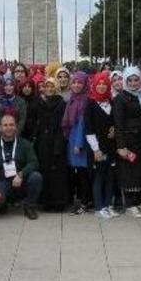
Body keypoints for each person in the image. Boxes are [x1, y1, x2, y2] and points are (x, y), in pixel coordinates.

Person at [0, 113, 42, 220]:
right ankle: (2, 204)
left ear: (16, 127)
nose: (8, 128)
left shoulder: (24, 144)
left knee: (36, 177)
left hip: (19, 181)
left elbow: (34, 162)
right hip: (2, 181)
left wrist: (21, 174)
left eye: (11, 125)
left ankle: (29, 206)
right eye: (5, 125)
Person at [113, 67, 141, 218]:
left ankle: (139, 202)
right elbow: (118, 124)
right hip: (128, 141)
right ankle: (130, 204)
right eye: (130, 80)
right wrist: (121, 146)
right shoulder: (120, 98)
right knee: (129, 172)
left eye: (136, 80)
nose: (134, 83)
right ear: (125, 81)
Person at [84, 72, 118, 219]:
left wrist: (115, 129)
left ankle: (107, 205)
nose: (102, 86)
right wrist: (96, 149)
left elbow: (116, 121)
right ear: (94, 85)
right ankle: (99, 207)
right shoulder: (90, 104)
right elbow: (88, 129)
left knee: (110, 176)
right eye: (99, 84)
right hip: (97, 148)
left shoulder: (112, 102)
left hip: (111, 146)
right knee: (98, 177)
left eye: (104, 83)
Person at [34, 78, 71, 211]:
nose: (49, 89)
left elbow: (63, 125)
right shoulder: (42, 102)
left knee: (57, 173)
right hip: (44, 141)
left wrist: (59, 144)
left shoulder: (61, 103)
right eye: (47, 86)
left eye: (51, 87)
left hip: (56, 140)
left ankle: (58, 202)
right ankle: (46, 201)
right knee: (45, 171)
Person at [63, 71, 92, 215]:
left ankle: (85, 202)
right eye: (74, 82)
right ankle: (81, 200)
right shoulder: (72, 99)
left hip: (80, 142)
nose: (76, 85)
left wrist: (79, 144)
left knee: (83, 173)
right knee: (76, 173)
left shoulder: (85, 101)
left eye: (79, 82)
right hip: (71, 140)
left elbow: (82, 124)